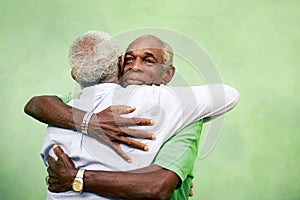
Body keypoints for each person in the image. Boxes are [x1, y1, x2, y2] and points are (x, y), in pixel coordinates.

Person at [25, 32, 239, 199]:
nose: (135, 67)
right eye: (129, 60)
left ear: (167, 74)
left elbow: (158, 187)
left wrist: (75, 178)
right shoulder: (79, 104)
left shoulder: (183, 113)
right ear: (119, 65)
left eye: (148, 61)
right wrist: (91, 122)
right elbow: (37, 104)